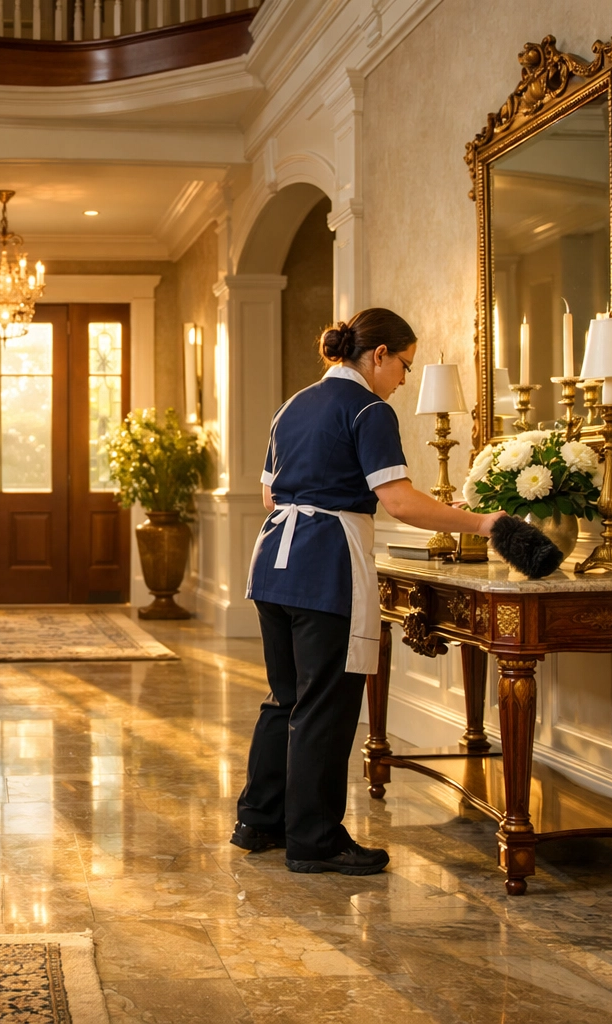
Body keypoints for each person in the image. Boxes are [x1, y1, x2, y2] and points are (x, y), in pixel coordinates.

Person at [233, 308, 505, 875]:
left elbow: (269, 495)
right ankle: (315, 840)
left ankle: (259, 821)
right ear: (378, 355)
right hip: (324, 566)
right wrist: (480, 523)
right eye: (403, 365)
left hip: (273, 566)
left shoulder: (292, 405)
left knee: (285, 697)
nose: (404, 379)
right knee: (326, 705)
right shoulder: (368, 409)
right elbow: (399, 501)